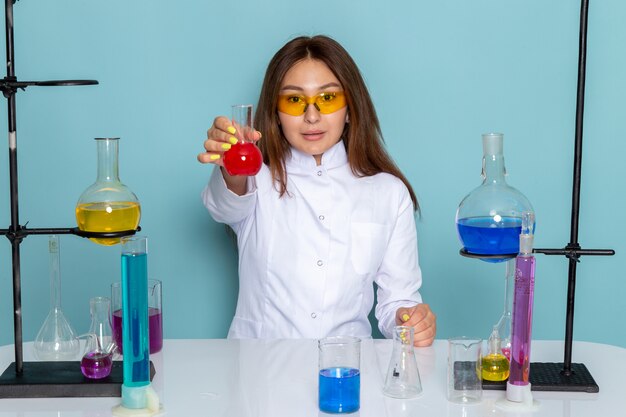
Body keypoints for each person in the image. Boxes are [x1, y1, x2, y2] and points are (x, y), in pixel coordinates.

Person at [197, 35, 436, 346]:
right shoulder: (256, 178)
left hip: (347, 373)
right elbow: (224, 205)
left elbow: (397, 303)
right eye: (294, 100)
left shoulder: (389, 193)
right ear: (276, 114)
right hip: (259, 372)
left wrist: (413, 321)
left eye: (328, 99)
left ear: (350, 109)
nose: (312, 116)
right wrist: (232, 164)